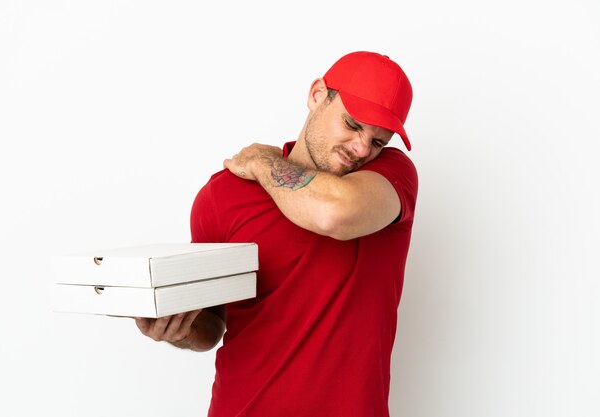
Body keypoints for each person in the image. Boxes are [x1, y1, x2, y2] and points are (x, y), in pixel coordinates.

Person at [135, 51, 418, 417]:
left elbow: (334, 213)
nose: (363, 148)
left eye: (378, 140)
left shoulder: (389, 178)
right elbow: (212, 323)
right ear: (317, 95)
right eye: (352, 124)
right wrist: (178, 328)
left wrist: (262, 161)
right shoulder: (225, 196)